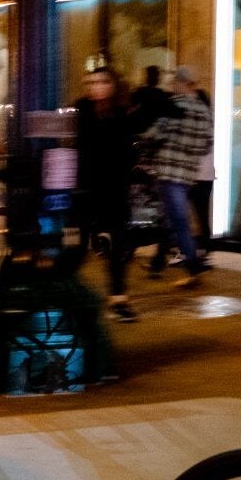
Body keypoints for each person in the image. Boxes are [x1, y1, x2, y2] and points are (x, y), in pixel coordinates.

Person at [73, 61, 142, 320]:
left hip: (114, 190)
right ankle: (69, 289)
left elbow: (129, 151)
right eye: (92, 83)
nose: (97, 88)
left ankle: (118, 297)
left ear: (113, 86)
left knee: (118, 246)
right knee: (77, 246)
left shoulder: (122, 115)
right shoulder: (81, 111)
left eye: (103, 82)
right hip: (87, 190)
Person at [143, 66, 212, 283]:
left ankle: (193, 267)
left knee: (178, 221)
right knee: (171, 218)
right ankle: (158, 263)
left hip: (169, 171)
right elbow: (207, 144)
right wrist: (189, 153)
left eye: (175, 83)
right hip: (188, 173)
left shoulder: (174, 106)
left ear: (181, 83)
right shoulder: (203, 110)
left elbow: (154, 134)